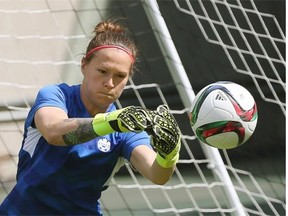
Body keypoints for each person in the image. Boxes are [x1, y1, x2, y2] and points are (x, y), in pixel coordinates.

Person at [0, 19, 181, 215]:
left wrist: (169, 154)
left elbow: (157, 174)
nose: (110, 82)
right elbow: (54, 131)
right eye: (102, 71)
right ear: (84, 65)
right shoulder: (57, 96)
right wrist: (112, 123)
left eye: (120, 76)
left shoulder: (126, 129)